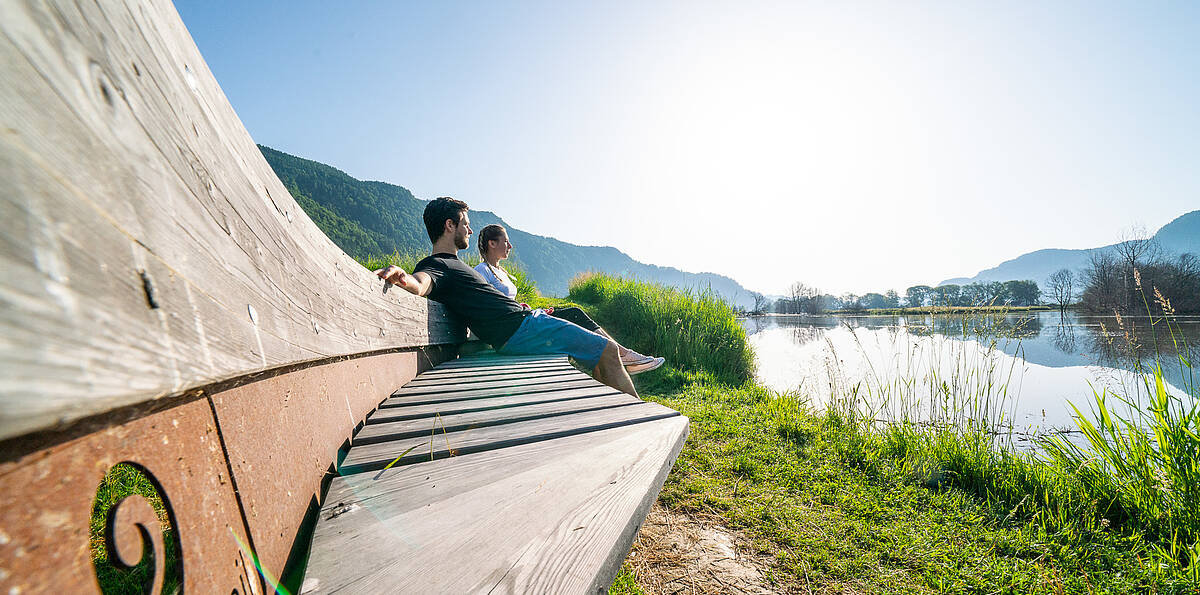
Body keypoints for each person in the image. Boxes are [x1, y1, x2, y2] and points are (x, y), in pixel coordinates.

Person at [374, 198, 658, 397]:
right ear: (450, 225)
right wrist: (405, 279)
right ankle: (641, 423)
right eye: (465, 224)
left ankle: (616, 416)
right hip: (521, 329)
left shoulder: (453, 264)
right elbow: (422, 283)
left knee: (599, 355)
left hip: (522, 325)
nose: (470, 231)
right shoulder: (436, 265)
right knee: (607, 350)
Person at [473, 223, 663, 374]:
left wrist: (524, 307)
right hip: (516, 330)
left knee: (575, 312)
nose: (510, 246)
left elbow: (505, 303)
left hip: (523, 318)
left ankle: (622, 354)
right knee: (574, 314)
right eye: (505, 241)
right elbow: (491, 306)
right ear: (492, 243)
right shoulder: (481, 271)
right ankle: (624, 355)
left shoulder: (500, 271)